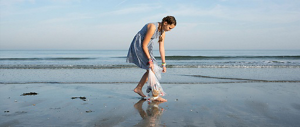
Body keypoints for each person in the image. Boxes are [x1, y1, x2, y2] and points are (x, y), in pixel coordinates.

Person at [126, 16, 177, 102]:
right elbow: (143, 45)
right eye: (169, 27)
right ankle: (155, 95)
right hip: (140, 45)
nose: (170, 30)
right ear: (165, 23)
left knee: (152, 68)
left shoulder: (162, 33)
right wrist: (150, 60)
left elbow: (161, 48)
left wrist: (164, 64)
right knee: (151, 68)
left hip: (147, 47)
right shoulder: (153, 27)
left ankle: (139, 88)